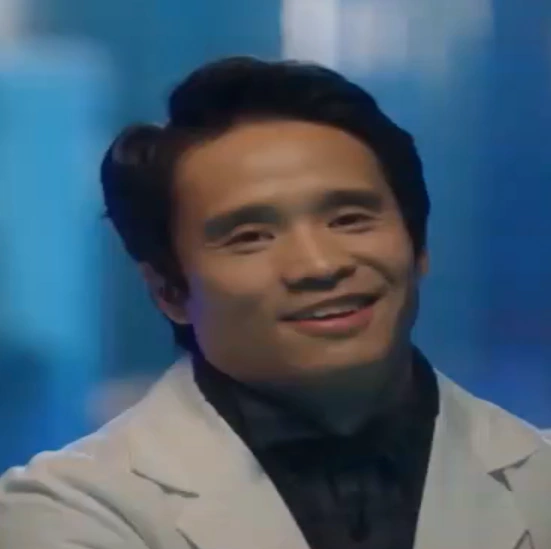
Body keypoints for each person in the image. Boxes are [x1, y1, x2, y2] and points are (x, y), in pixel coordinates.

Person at [0, 57, 549, 549]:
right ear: (169, 290)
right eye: (250, 237)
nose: (319, 264)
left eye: (350, 218)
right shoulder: (69, 509)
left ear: (418, 245)